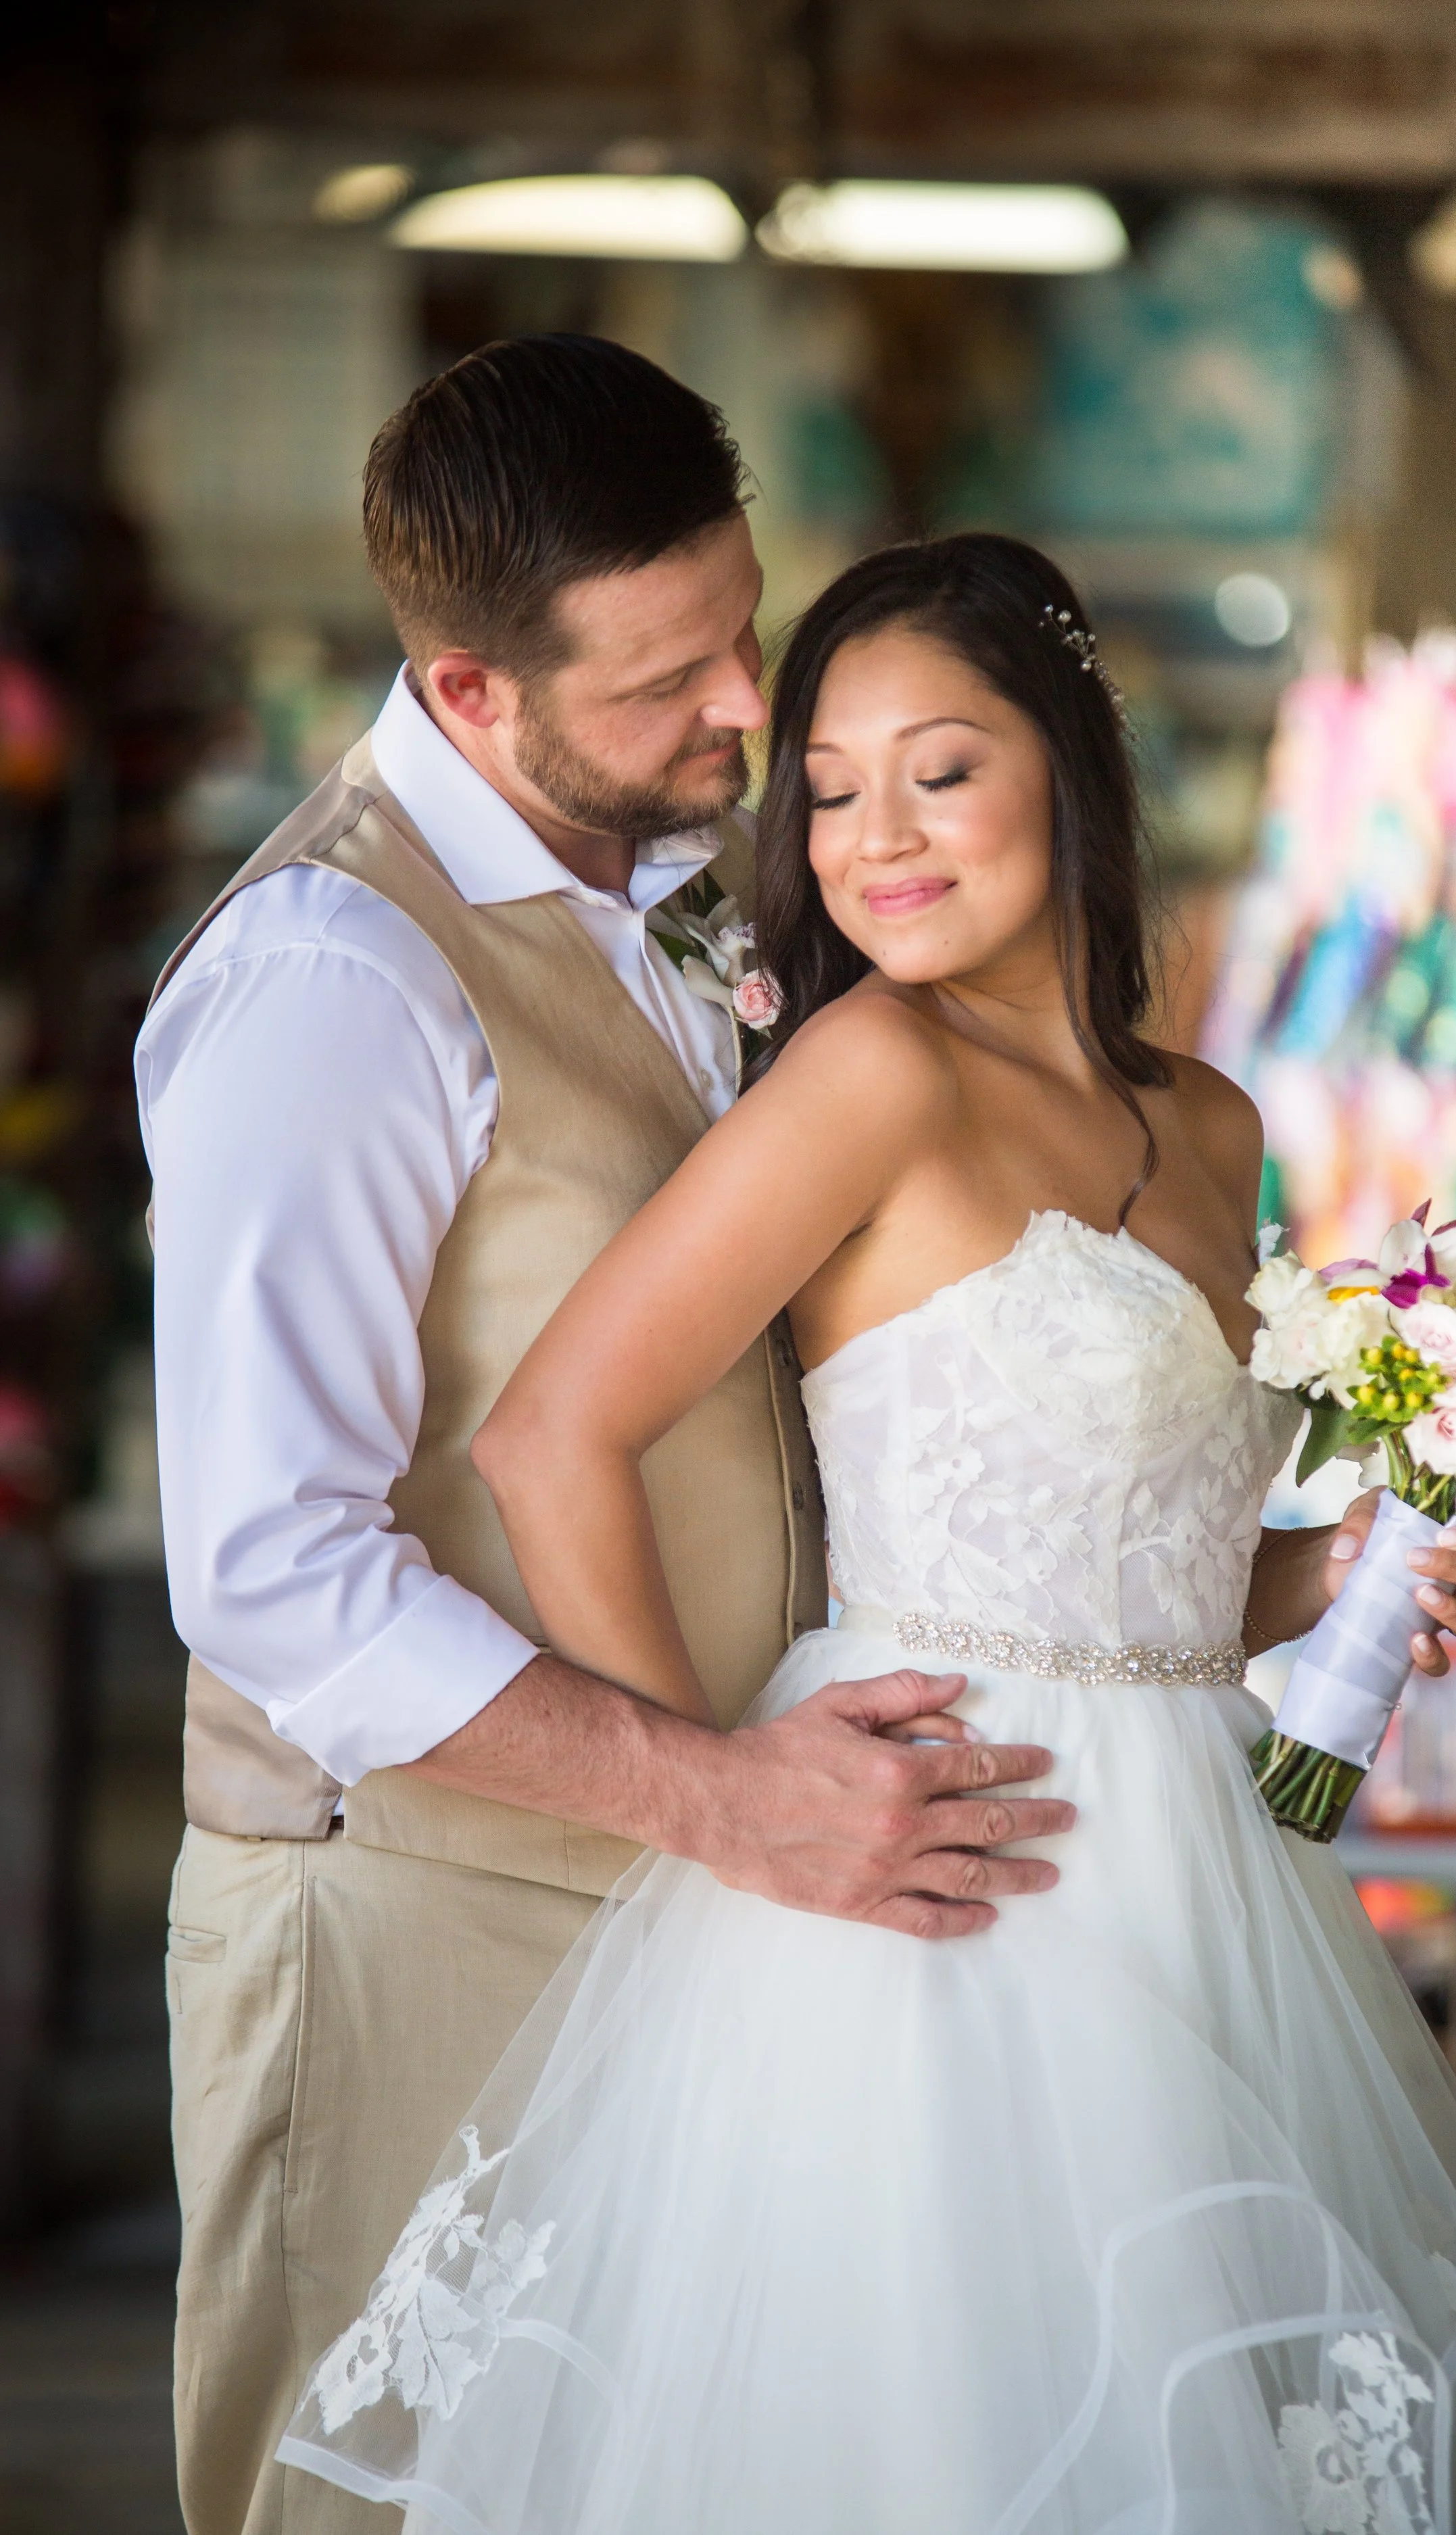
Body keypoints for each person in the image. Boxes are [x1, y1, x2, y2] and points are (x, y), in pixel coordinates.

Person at [279, 532, 1456, 2531]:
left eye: (938, 769)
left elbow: (1173, 1576)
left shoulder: (1211, 1123)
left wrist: (1370, 1553)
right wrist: (714, 1783)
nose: (875, 836)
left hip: (1206, 1876)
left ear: (1066, 771)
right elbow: (549, 1434)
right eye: (831, 788)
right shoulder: (871, 1073)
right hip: (943, 1879)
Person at [140, 342, 1080, 2535]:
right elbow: (271, 1571)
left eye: (740, 625)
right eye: (668, 680)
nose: (746, 708)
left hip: (697, 1897)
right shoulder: (331, 975)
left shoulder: (678, 882)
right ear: (473, 695)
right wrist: (718, 1797)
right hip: (405, 1918)